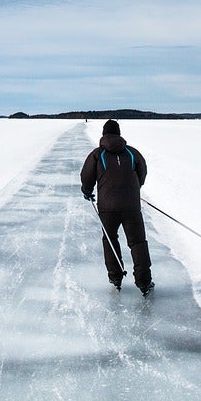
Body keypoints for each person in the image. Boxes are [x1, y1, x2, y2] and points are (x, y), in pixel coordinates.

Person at [80, 119, 154, 296]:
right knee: (138, 242)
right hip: (131, 207)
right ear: (119, 133)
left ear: (104, 134)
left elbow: (86, 175)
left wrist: (87, 191)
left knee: (110, 240)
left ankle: (116, 277)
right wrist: (135, 188)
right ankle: (144, 282)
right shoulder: (132, 152)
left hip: (107, 207)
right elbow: (142, 172)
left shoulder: (97, 154)